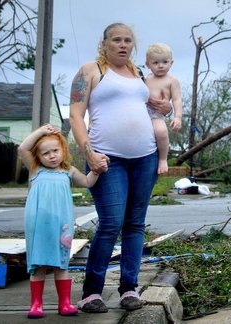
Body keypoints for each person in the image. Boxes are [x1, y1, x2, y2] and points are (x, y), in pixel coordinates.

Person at [69, 22, 171, 313]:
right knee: (111, 223)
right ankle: (91, 293)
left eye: (128, 40)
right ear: (104, 44)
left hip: (145, 157)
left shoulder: (139, 74)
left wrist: (167, 110)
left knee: (135, 224)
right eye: (116, 40)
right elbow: (76, 116)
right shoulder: (91, 71)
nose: (123, 45)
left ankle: (129, 288)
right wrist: (89, 154)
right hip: (107, 160)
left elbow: (153, 108)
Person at [18, 124, 105, 319]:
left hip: (61, 225)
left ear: (63, 150)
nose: (51, 156)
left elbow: (88, 182)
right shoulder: (35, 170)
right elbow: (22, 148)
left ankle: (64, 303)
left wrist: (97, 170)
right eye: (45, 153)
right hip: (38, 225)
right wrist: (41, 132)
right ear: (38, 157)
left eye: (55, 150)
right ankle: (36, 305)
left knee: (61, 265)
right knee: (38, 265)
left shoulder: (68, 171)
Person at [145, 43, 183, 175]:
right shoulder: (145, 78)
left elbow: (177, 99)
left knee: (161, 132)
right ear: (148, 64)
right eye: (155, 62)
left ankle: (162, 159)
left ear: (171, 62)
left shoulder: (172, 80)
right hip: (141, 114)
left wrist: (177, 117)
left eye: (165, 62)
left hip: (156, 115)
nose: (160, 65)